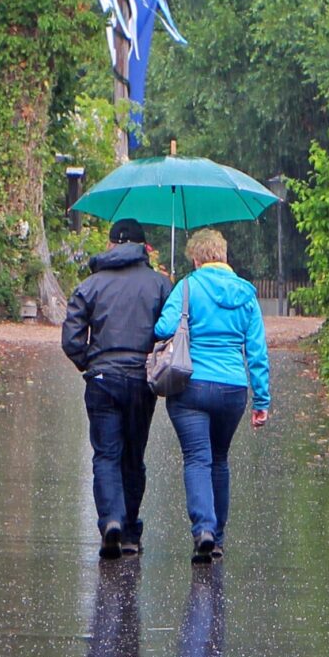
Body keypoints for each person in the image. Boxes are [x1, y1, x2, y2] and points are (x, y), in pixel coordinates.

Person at [152, 228, 271, 564]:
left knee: (197, 458)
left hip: (190, 385)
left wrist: (179, 306)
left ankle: (203, 529)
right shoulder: (246, 295)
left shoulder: (187, 287)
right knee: (219, 459)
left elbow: (162, 329)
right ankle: (216, 538)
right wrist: (261, 401)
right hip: (233, 389)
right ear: (224, 256)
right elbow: (257, 352)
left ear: (196, 258)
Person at [60, 217, 170, 556]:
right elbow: (170, 334)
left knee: (106, 453)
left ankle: (111, 519)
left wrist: (89, 364)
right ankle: (131, 534)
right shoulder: (159, 285)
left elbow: (71, 338)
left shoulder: (90, 285)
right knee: (133, 457)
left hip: (102, 378)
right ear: (142, 247)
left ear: (111, 244)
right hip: (141, 378)